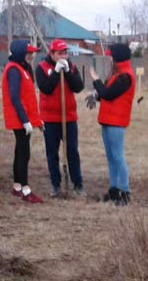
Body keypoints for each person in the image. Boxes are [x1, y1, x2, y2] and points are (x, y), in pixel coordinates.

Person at [35, 39, 86, 197]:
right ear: (52, 54)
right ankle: (55, 184)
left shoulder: (71, 66)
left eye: (65, 52)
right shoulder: (41, 68)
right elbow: (46, 88)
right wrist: (56, 73)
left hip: (69, 117)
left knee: (72, 151)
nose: (64, 55)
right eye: (60, 53)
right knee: (52, 153)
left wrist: (68, 73)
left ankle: (78, 184)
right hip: (50, 118)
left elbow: (78, 87)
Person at [88, 43, 135, 206]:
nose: (109, 59)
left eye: (111, 56)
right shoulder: (117, 74)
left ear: (117, 58)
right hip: (107, 120)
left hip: (117, 121)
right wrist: (95, 95)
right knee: (111, 157)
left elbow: (108, 94)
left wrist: (95, 80)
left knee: (118, 156)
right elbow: (107, 94)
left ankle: (124, 191)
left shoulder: (125, 76)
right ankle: (114, 189)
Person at [1, 39, 44, 204]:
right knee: (24, 153)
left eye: (32, 53)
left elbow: (28, 98)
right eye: (29, 53)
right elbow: (15, 97)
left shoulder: (21, 68)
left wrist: (36, 121)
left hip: (23, 118)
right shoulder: (14, 70)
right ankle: (26, 190)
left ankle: (17, 186)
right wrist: (25, 120)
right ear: (20, 53)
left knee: (20, 151)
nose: (32, 56)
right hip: (19, 118)